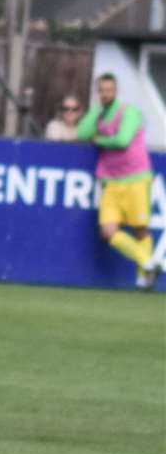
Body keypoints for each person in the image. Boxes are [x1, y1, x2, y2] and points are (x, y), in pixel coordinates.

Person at [76, 73, 161, 291]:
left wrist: (100, 139)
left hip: (136, 178)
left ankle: (144, 278)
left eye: (109, 90)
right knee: (108, 231)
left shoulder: (129, 112)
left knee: (140, 229)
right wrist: (95, 111)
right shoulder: (99, 114)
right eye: (102, 91)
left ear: (116, 91)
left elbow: (122, 140)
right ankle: (147, 261)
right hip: (111, 181)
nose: (106, 94)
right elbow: (82, 132)